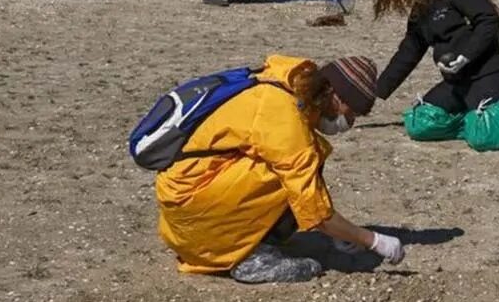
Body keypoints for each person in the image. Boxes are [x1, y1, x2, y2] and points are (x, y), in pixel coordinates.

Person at [156, 55, 406, 283]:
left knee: (299, 165)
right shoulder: (285, 119)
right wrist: (372, 240)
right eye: (351, 113)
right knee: (291, 173)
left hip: (184, 215)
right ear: (334, 96)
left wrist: (343, 233)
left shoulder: (282, 90)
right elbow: (314, 208)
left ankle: (251, 241)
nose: (349, 123)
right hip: (195, 219)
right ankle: (248, 257)